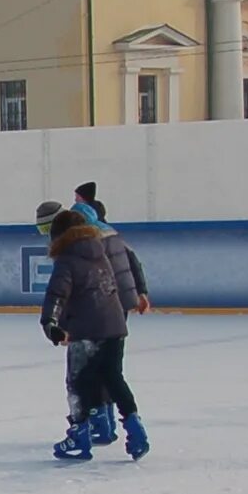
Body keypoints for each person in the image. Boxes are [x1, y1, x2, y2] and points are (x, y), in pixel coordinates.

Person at [39, 201, 142, 460]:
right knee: (113, 378)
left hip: (86, 331)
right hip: (115, 327)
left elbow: (57, 294)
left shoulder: (67, 259)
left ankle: (79, 436)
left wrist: (50, 323)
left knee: (78, 384)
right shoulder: (99, 253)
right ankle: (136, 429)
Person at [72, 182, 150, 444]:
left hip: (101, 307)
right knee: (110, 368)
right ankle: (115, 421)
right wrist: (140, 292)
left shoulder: (91, 241)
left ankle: (101, 421)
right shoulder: (113, 234)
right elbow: (133, 262)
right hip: (119, 307)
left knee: (92, 368)